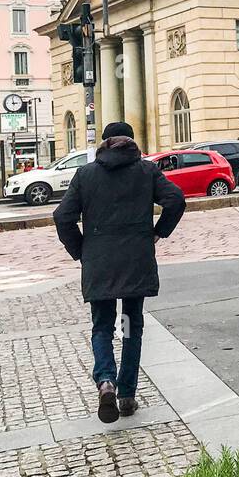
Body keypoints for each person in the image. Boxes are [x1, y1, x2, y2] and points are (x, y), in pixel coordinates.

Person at [54, 121, 185, 423]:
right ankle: (126, 395)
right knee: (129, 327)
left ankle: (106, 382)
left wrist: (81, 251)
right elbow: (176, 200)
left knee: (101, 326)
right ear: (131, 142)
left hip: (100, 263)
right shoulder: (146, 171)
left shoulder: (86, 175)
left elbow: (62, 216)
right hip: (135, 262)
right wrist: (158, 232)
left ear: (103, 143)